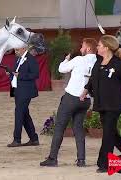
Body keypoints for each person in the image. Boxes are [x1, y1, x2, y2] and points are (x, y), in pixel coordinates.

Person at [81, 35, 121, 173]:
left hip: (114, 104)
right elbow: (93, 78)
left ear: (106, 47)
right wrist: (85, 91)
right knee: (112, 134)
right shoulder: (98, 62)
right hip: (101, 103)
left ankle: (104, 164)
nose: (97, 47)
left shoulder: (119, 64)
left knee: (107, 136)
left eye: (99, 45)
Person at [40, 38, 98, 167]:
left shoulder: (78, 60)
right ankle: (81, 159)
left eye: (82, 46)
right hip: (86, 100)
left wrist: (66, 59)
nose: (80, 49)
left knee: (60, 127)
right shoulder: (98, 62)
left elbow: (62, 69)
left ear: (88, 48)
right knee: (78, 129)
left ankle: (52, 158)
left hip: (71, 98)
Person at [7, 46, 40, 147]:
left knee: (19, 113)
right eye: (15, 50)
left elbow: (35, 74)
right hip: (18, 90)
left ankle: (17, 139)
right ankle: (34, 139)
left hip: (26, 91)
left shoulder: (31, 59)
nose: (15, 52)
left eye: (17, 50)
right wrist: (10, 74)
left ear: (24, 48)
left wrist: (20, 75)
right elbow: (15, 71)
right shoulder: (18, 58)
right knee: (24, 114)